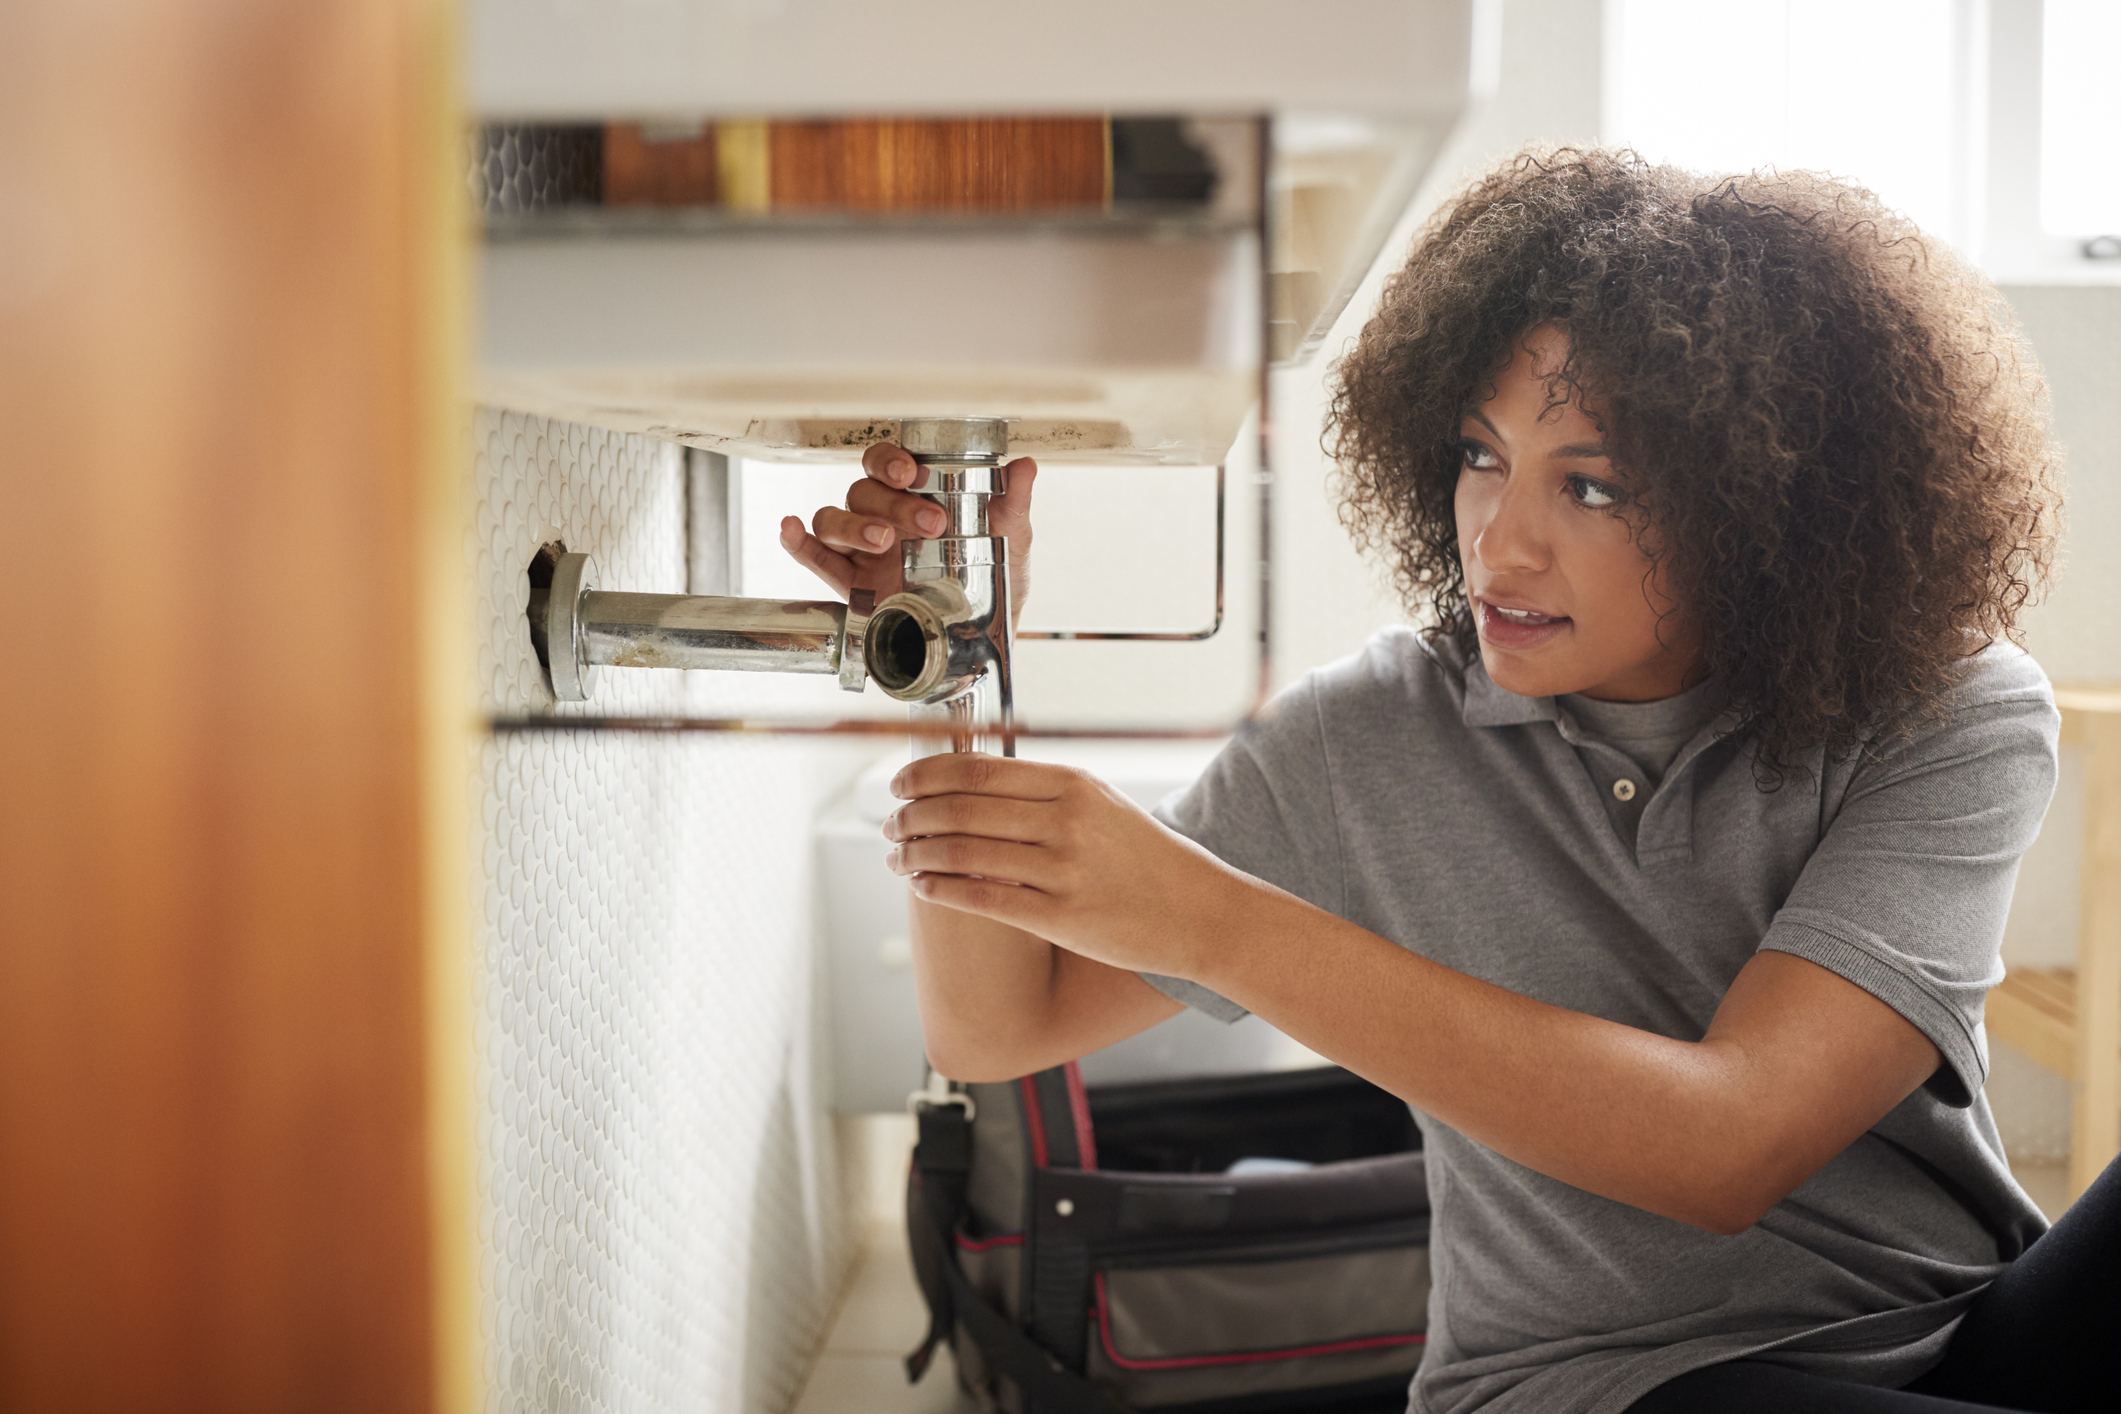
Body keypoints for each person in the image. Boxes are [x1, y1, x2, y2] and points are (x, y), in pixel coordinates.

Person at [779, 149, 2113, 1413]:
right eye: (1480, 456)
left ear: (1768, 507)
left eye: (1590, 486)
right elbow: (999, 1027)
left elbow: (1726, 1145)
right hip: (1614, 1381)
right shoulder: (1367, 736)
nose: (1501, 541)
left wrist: (1211, 918)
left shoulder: (1942, 709)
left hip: (1961, 1323)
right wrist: (948, 657)